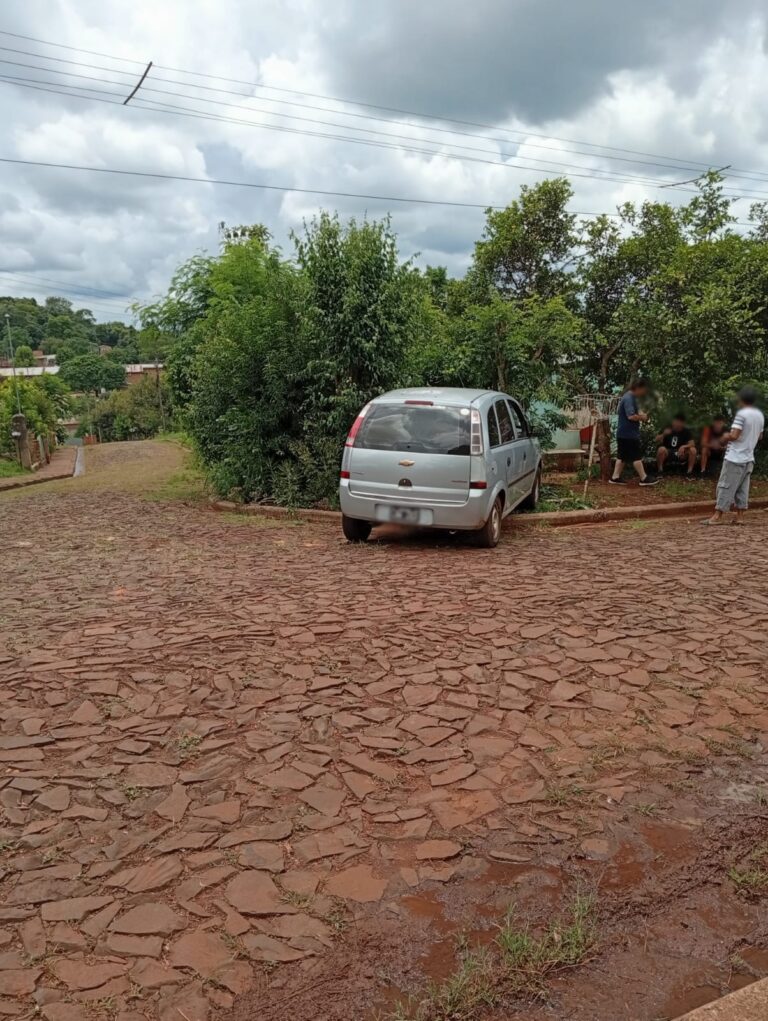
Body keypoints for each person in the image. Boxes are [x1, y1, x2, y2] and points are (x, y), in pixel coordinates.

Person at [704, 387, 764, 526]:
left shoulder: (742, 414)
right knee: (743, 488)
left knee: (725, 485)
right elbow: (759, 436)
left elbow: (734, 435)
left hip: (735, 457)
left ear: (741, 400)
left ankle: (717, 516)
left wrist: (724, 437)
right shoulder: (759, 415)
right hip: (749, 457)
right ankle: (740, 517)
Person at [610, 379, 660, 486]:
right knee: (636, 456)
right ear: (638, 388)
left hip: (624, 433)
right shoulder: (629, 398)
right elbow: (631, 416)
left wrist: (643, 414)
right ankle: (643, 478)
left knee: (622, 456)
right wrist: (642, 417)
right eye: (644, 390)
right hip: (629, 434)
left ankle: (615, 477)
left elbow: (637, 412)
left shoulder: (632, 398)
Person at [656, 414, 697, 478]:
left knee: (693, 450)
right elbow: (656, 439)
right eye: (676, 421)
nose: (677, 424)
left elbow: (692, 444)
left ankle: (689, 472)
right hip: (667, 452)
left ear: (683, 423)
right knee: (661, 449)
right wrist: (663, 434)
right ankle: (660, 471)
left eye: (680, 422)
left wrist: (684, 446)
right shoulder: (667, 428)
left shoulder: (686, 431)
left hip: (681, 453)